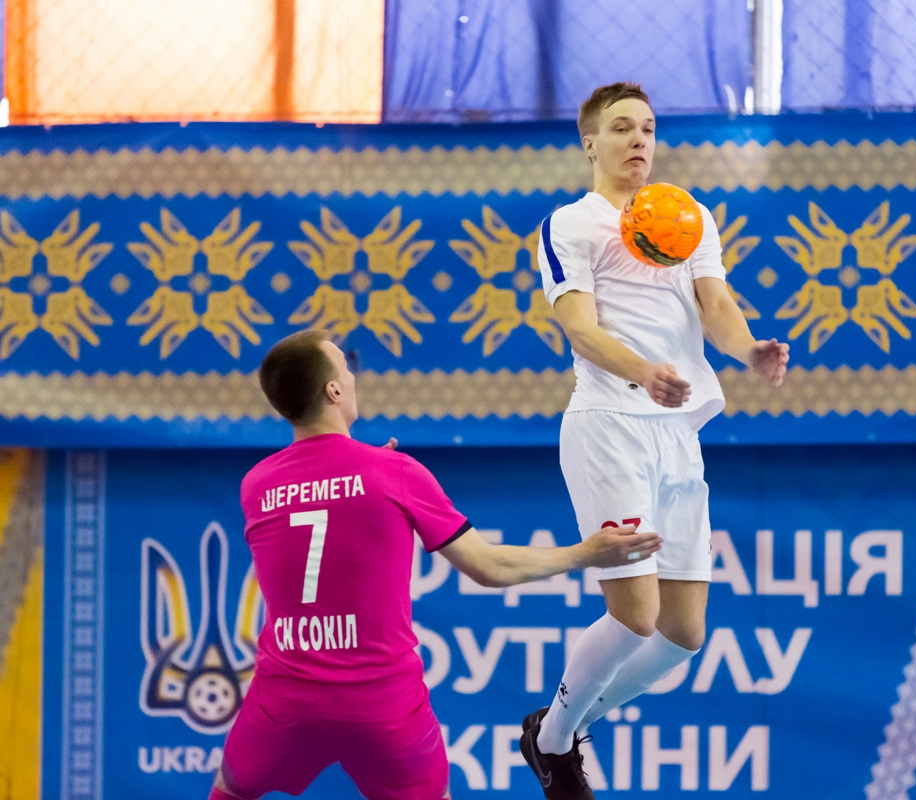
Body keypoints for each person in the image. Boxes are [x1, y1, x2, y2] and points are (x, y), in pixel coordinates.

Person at [209, 329, 662, 800]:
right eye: (347, 366)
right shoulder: (394, 473)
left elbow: (324, 503)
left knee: (230, 790)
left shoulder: (255, 485)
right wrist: (588, 553)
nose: (354, 374)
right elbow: (489, 567)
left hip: (284, 704)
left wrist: (371, 476)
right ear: (334, 391)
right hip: (383, 706)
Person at [521, 82, 790, 800]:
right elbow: (579, 328)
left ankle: (556, 729)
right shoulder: (569, 225)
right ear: (590, 143)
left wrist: (748, 350)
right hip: (610, 425)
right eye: (620, 127)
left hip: (679, 433)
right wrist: (643, 372)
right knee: (634, 615)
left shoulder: (686, 215)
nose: (638, 138)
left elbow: (717, 306)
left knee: (682, 634)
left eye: (646, 127)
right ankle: (555, 744)